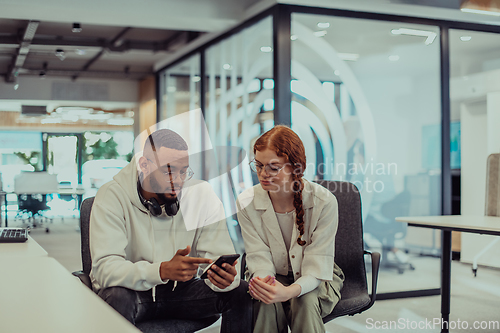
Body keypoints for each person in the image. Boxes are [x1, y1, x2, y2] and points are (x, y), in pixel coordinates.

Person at [89, 129, 251, 332]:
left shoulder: (200, 195)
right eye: (168, 171)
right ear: (145, 165)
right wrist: (162, 270)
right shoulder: (112, 196)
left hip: (183, 294)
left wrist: (226, 279)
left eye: (183, 172)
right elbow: (105, 270)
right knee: (117, 296)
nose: (178, 181)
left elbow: (219, 259)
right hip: (134, 294)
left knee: (241, 291)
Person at [236, 125, 344, 333]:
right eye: (258, 165)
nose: (263, 174)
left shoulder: (324, 202)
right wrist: (268, 285)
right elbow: (258, 257)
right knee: (265, 301)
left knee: (303, 301)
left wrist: (289, 292)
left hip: (318, 275)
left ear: (296, 167)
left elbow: (316, 266)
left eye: (273, 167)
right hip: (269, 272)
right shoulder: (246, 201)